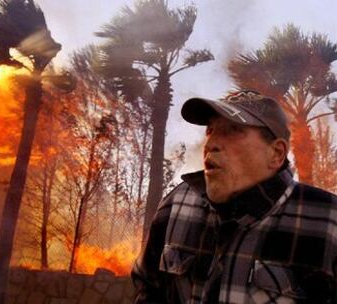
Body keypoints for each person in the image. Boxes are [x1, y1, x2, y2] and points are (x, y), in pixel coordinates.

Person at [131, 90, 337, 303]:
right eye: (210, 130)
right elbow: (148, 286)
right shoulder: (177, 203)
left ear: (276, 153)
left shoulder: (329, 221)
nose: (211, 144)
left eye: (233, 130)